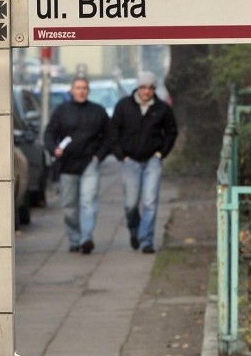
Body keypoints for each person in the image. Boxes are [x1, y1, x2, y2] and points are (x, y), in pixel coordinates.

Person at [109, 70, 178, 254]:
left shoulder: (162, 109)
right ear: (137, 87)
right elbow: (113, 132)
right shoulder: (124, 106)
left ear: (154, 89)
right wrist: (120, 155)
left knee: (150, 201)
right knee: (131, 203)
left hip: (152, 161)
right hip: (130, 161)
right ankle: (135, 229)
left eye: (150, 88)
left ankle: (147, 240)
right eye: (143, 87)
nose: (146, 92)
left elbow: (171, 132)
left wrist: (161, 153)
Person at [43, 77, 110, 254]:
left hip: (90, 163)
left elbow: (109, 136)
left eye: (85, 88)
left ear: (88, 91)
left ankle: (86, 238)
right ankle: (75, 238)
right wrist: (53, 149)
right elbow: (49, 133)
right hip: (67, 165)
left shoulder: (98, 111)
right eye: (78, 88)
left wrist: (98, 156)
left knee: (88, 202)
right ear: (72, 90)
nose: (81, 91)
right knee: (69, 207)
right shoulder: (61, 111)